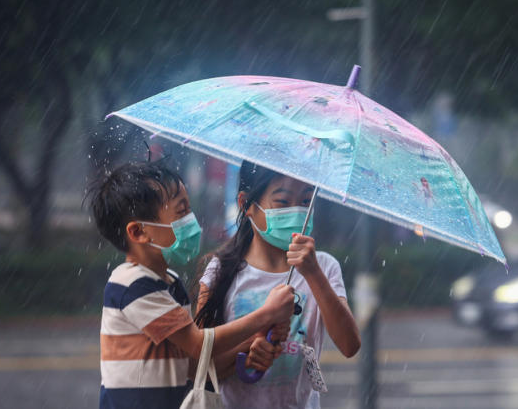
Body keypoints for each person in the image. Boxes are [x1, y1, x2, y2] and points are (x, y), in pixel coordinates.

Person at [88, 159, 295, 409]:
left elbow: (195, 366)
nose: (191, 220)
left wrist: (253, 343)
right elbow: (198, 343)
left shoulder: (170, 283)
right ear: (139, 232)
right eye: (181, 211)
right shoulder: (132, 284)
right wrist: (267, 314)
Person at [195, 161, 361, 408]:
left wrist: (313, 273)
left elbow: (349, 345)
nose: (296, 212)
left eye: (305, 202)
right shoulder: (221, 271)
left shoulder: (324, 267)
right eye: (282, 202)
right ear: (246, 204)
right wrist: (247, 352)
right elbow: (198, 364)